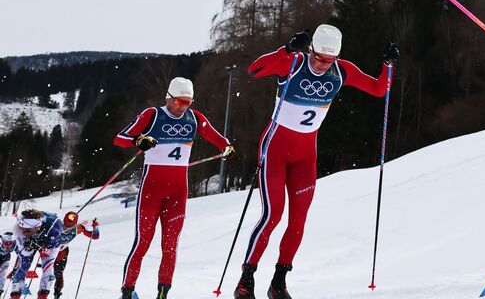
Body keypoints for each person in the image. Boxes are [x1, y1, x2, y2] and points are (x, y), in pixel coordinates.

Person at [234, 24, 399, 299]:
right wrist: (286, 50)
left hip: (305, 156)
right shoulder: (294, 63)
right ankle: (246, 278)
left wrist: (387, 65)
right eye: (319, 57)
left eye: (329, 60)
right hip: (274, 150)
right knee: (271, 216)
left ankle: (278, 282)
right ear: (310, 50)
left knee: (298, 221)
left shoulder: (342, 70)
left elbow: (380, 89)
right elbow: (255, 69)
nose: (323, 65)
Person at [114, 77, 234, 299]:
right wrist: (138, 140)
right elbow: (120, 138)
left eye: (187, 102)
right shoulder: (152, 115)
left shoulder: (195, 118)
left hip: (178, 193)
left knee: (170, 247)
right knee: (142, 243)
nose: (181, 106)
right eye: (178, 101)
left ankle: (163, 294)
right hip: (152, 191)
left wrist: (227, 147)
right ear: (168, 98)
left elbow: (218, 138)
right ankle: (127, 292)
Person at [9, 209, 63, 299]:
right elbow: (24, 254)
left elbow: (53, 247)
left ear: (37, 227)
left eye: (27, 230)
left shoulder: (54, 225)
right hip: (33, 240)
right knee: (24, 265)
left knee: (48, 266)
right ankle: (15, 295)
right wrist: (29, 246)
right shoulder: (18, 228)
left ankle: (43, 295)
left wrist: (45, 243)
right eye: (23, 229)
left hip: (48, 239)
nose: (23, 232)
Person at [52, 212, 99, 299]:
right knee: (49, 275)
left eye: (70, 226)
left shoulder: (78, 228)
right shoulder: (56, 226)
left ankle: (56, 294)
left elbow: (95, 236)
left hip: (62, 253)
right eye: (65, 225)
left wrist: (95, 227)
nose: (67, 228)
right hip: (50, 252)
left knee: (58, 274)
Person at [1, 231, 16, 297]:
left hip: (5, 258)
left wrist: (15, 269)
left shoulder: (15, 245)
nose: (8, 245)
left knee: (3, 275)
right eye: (6, 243)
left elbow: (20, 257)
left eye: (10, 243)